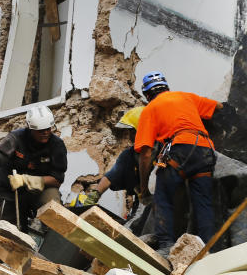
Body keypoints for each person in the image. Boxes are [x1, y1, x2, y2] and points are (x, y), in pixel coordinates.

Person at [134, 72, 223, 256]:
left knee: (163, 196)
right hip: (205, 149)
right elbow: (218, 106)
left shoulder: (150, 110)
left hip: (181, 148)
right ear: (166, 87)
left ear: (147, 95)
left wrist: (143, 188)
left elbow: (145, 154)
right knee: (203, 204)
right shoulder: (186, 96)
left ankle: (166, 246)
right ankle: (208, 250)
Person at [0, 105, 68, 231]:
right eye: (41, 130)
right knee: (11, 231)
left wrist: (27, 180)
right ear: (30, 129)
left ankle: (56, 243)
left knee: (54, 210)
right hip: (9, 191)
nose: (45, 132)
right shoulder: (16, 138)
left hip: (39, 190)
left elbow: (57, 179)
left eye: (48, 128)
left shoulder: (57, 145)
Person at [74, 106, 144, 208]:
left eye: (133, 132)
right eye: (129, 132)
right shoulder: (128, 155)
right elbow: (110, 177)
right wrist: (93, 197)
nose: (130, 136)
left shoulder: (162, 150)